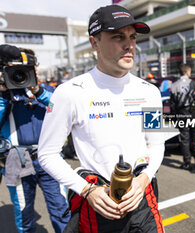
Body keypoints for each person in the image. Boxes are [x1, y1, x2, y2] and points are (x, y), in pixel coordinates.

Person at [38, 5, 165, 232]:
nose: (129, 45)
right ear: (94, 43)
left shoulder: (150, 91)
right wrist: (87, 191)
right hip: (98, 203)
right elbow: (47, 154)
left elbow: (157, 144)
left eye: (132, 37)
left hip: (142, 198)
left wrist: (144, 179)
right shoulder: (70, 92)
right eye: (118, 36)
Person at [0, 46, 69, 232]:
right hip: (16, 158)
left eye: (31, 65)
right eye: (20, 67)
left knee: (61, 209)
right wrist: (4, 94)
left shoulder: (45, 90)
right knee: (24, 213)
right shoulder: (3, 94)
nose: (25, 70)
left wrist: (37, 91)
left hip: (49, 156)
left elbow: (63, 110)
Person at [170, 63, 195, 170]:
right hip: (194, 113)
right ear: (188, 72)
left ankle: (187, 162)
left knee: (184, 139)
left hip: (181, 114)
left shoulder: (174, 86)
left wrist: (174, 118)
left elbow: (172, 105)